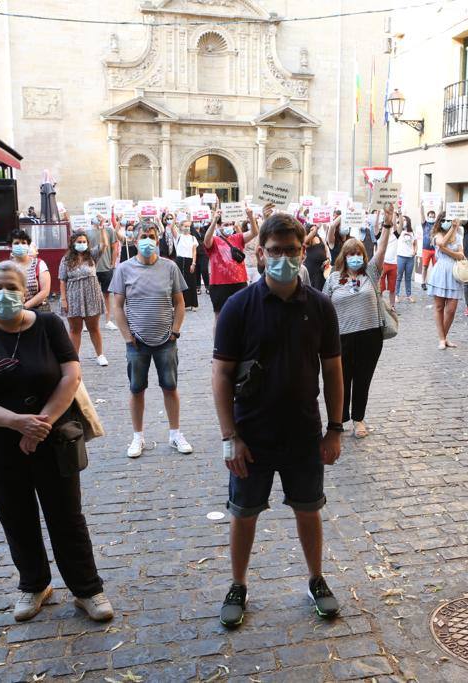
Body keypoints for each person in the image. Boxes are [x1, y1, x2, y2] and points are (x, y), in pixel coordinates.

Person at [0, 260, 113, 624]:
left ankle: (87, 589)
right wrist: (15, 423)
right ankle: (34, 584)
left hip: (53, 439)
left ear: (25, 293)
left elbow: (71, 375)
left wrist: (40, 423)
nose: (3, 294)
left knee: (67, 517)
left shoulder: (48, 325)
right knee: (16, 517)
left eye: (11, 287)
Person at [211, 212, 344, 629]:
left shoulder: (320, 307)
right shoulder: (239, 307)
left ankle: (316, 579)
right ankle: (237, 584)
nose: (283, 257)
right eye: (274, 251)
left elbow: (334, 370)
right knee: (243, 512)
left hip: (304, 433)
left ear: (303, 251)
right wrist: (229, 436)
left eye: (291, 250)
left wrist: (335, 428)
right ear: (260, 254)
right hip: (251, 434)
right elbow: (221, 374)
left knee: (309, 509)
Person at [110, 222, 193, 458]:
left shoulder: (170, 267)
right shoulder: (124, 269)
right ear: (135, 240)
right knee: (136, 389)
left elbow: (179, 302)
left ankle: (175, 433)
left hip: (166, 341)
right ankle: (138, 437)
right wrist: (127, 336)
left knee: (170, 387)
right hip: (137, 342)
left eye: (152, 236)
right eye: (143, 236)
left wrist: (175, 331)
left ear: (158, 239)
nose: (148, 240)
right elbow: (117, 306)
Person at [324, 204, 396, 439]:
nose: (355, 257)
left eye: (358, 254)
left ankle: (359, 419)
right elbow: (323, 308)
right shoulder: (334, 279)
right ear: (344, 257)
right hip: (341, 337)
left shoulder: (371, 274)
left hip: (370, 336)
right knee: (341, 380)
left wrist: (387, 223)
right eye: (351, 254)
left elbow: (383, 248)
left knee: (362, 379)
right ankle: (339, 419)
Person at [60, 231, 109, 367]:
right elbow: (62, 280)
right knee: (75, 329)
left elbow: (104, 244)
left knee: (94, 328)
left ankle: (100, 355)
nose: (82, 244)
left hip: (91, 295)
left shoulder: (92, 256)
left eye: (84, 242)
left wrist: (102, 228)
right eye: (79, 242)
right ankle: (74, 358)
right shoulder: (66, 259)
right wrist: (64, 299)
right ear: (73, 243)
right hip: (73, 296)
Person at [204, 207, 258, 316]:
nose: (229, 227)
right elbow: (207, 240)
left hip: (239, 282)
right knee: (219, 316)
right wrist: (214, 220)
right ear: (219, 226)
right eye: (225, 224)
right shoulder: (214, 240)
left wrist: (251, 217)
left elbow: (254, 232)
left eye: (230, 224)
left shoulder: (237, 238)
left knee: (242, 314)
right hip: (220, 284)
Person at [427, 213, 466, 349]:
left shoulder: (459, 237)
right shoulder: (437, 234)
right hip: (441, 272)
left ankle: (443, 336)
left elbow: (461, 255)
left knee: (451, 309)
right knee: (439, 307)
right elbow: (442, 243)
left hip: (455, 273)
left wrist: (446, 251)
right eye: (443, 220)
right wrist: (452, 229)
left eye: (449, 220)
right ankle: (442, 339)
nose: (446, 222)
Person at [87, 214, 119, 331]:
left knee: (106, 295)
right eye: (97, 217)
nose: (99, 219)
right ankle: (87, 321)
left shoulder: (109, 231)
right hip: (91, 268)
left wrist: (112, 263)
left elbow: (114, 248)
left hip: (106, 268)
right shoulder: (87, 232)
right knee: (90, 295)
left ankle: (108, 320)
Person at [8, 229, 51, 311]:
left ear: (28, 245)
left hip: (39, 311)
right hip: (14, 311)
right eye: (16, 243)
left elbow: (45, 292)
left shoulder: (39, 264)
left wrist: (24, 307)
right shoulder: (7, 267)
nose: (20, 245)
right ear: (10, 246)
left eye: (23, 243)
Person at [172, 219, 200, 311]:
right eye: (185, 226)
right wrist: (174, 218)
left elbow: (194, 252)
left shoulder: (193, 238)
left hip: (189, 261)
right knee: (178, 282)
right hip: (179, 260)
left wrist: (193, 263)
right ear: (181, 227)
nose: (187, 228)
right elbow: (172, 228)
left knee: (191, 282)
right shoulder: (178, 237)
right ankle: (177, 304)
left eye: (188, 226)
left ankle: (193, 304)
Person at [379, 213, 399, 311]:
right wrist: (378, 213)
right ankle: (380, 305)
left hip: (393, 264)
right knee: (380, 287)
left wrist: (396, 213)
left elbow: (396, 224)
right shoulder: (380, 235)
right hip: (382, 264)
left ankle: (392, 306)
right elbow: (375, 226)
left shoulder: (395, 235)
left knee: (392, 287)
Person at [395, 217, 417, 303]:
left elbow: (415, 244)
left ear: (408, 221)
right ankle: (396, 295)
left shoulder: (412, 233)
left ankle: (409, 295)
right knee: (399, 277)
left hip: (410, 258)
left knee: (408, 278)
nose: (403, 221)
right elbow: (395, 224)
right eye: (402, 220)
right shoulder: (399, 231)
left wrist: (415, 251)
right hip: (401, 256)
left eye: (405, 220)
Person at [303, 222, 329, 290]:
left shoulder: (321, 238)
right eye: (312, 230)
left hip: (322, 270)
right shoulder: (308, 240)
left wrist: (328, 259)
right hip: (312, 270)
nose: (314, 231)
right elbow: (305, 241)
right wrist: (316, 228)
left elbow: (326, 250)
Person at [419, 206, 438, 292]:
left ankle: (435, 283)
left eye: (433, 216)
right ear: (428, 217)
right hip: (426, 249)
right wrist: (422, 206)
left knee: (436, 267)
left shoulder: (436, 224)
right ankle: (423, 282)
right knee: (424, 267)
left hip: (435, 249)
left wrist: (441, 203)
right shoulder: (425, 224)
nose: (431, 217)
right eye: (430, 216)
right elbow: (422, 214)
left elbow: (440, 213)